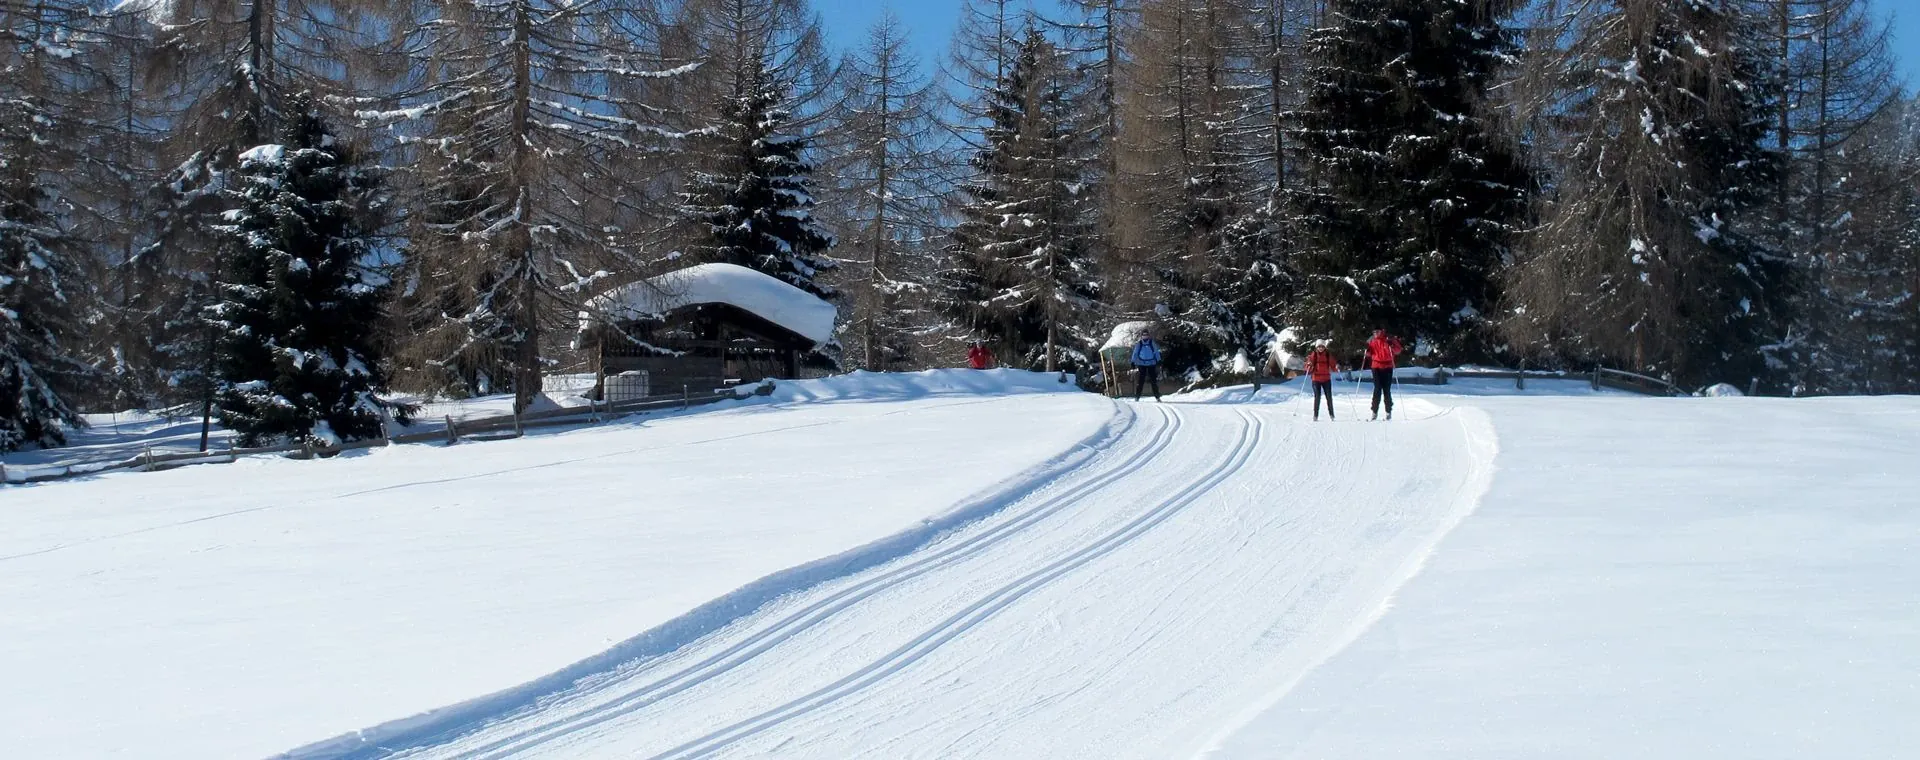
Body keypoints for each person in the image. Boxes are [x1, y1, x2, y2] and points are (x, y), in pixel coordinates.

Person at [1365, 328, 1403, 420]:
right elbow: (1368, 354)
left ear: (1382, 331)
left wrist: (1392, 346)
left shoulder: (1389, 339)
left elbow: (1398, 350)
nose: (1375, 333)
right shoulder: (1371, 340)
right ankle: (1374, 412)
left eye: (1377, 331)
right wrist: (1367, 350)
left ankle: (1388, 411)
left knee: (1386, 390)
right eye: (1374, 332)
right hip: (1376, 366)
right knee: (1377, 389)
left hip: (1387, 366)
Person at [1304, 340, 1338, 421]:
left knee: (1329, 397)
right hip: (1316, 379)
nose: (1321, 348)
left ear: (1324, 347)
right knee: (1317, 397)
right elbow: (1306, 366)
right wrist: (1308, 366)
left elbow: (1333, 365)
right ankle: (1315, 415)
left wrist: (1336, 367)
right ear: (1316, 347)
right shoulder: (1313, 355)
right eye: (1319, 346)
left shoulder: (1327, 355)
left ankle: (1332, 414)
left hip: (1326, 379)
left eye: (1322, 346)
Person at [1131, 334, 1163, 401]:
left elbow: (1156, 352)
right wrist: (1133, 362)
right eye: (1143, 335)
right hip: (1141, 364)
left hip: (1151, 364)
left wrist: (1159, 360)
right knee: (1140, 381)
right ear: (1141, 336)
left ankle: (1157, 397)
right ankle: (1137, 396)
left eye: (1146, 335)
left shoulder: (1152, 343)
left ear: (1149, 336)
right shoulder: (1139, 344)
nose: (1145, 337)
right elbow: (1135, 353)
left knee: (1153, 381)